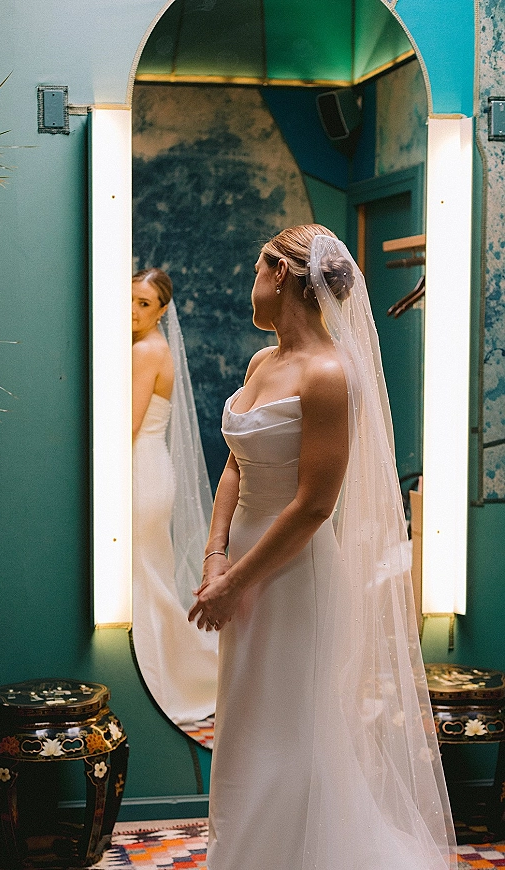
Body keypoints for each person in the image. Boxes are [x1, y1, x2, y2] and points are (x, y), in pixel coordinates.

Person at [188, 227, 456, 870]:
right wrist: (214, 554)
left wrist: (236, 582)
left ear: (281, 274)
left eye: (256, 268)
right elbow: (235, 466)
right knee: (245, 732)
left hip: (291, 575)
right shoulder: (262, 363)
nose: (248, 282)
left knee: (289, 733)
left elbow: (313, 504)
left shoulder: (331, 374)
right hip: (241, 563)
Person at [132, 268, 218, 727]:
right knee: (147, 576)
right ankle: (163, 671)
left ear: (162, 311)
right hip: (147, 465)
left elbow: (126, 425)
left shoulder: (147, 351)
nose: (133, 310)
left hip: (140, 469)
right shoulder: (148, 347)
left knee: (146, 576)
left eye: (144, 304)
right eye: (129, 299)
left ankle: (184, 675)